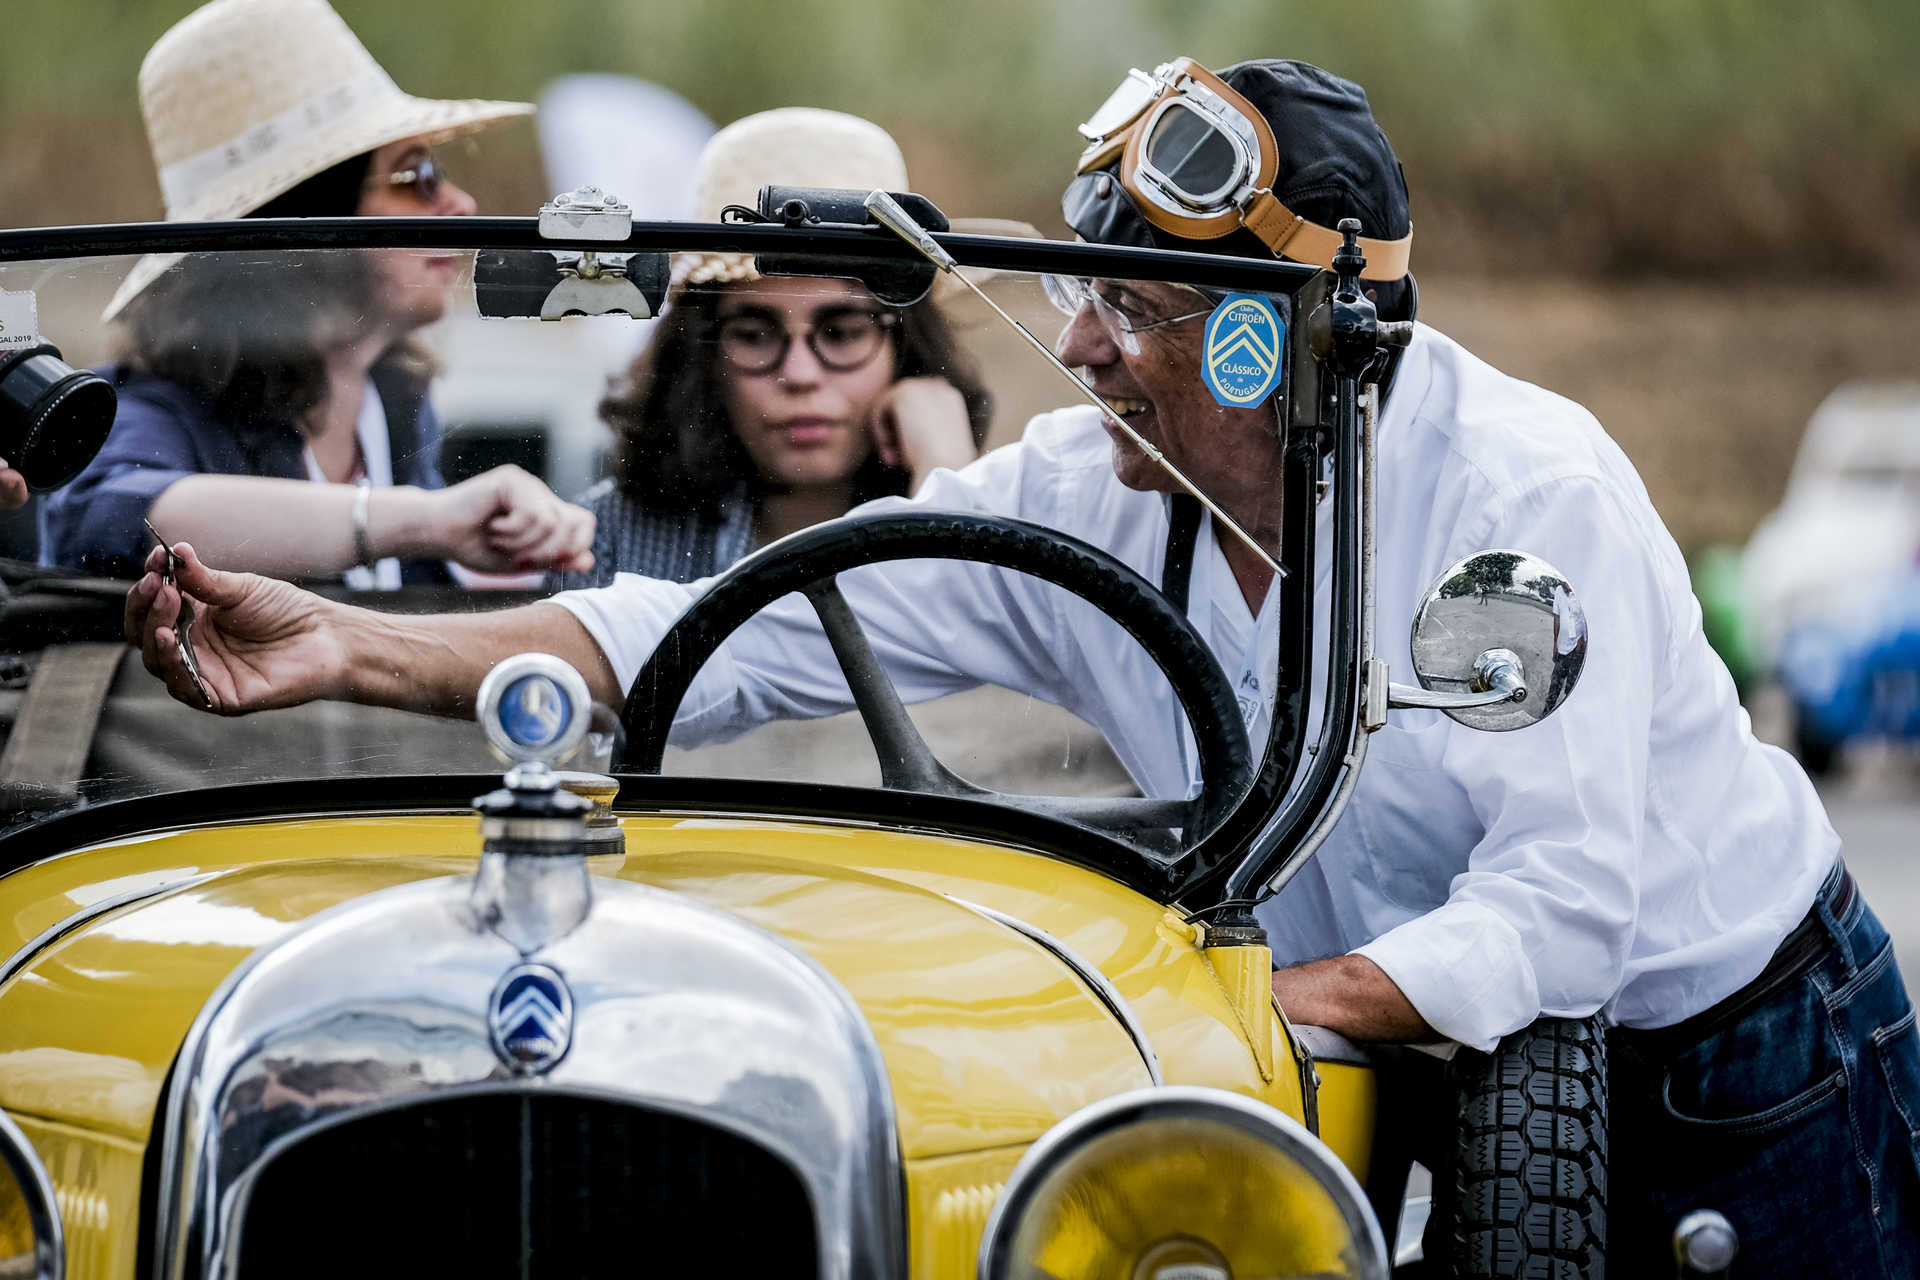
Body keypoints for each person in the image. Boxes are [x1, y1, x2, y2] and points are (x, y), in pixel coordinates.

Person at [125, 58, 1916, 1273]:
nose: (1068, 345)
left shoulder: (1526, 498)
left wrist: (1206, 1015)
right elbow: (724, 633)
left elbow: (1560, 917)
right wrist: (346, 643)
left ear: (1261, 335)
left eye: (1124, 309)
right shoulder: (1072, 493)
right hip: (1393, 1047)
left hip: (1743, 1064)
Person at [40, 0, 593, 585]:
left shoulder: (393, 401)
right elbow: (104, 511)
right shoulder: (160, 410)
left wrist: (524, 554)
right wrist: (422, 521)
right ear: (313, 224)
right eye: (417, 177)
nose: (460, 206)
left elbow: (418, 585)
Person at [552, 107, 989, 589]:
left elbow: (984, 638)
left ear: (905, 346)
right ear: (702, 355)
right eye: (754, 335)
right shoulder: (601, 542)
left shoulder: (998, 505)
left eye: (842, 333)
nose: (800, 374)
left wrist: (945, 472)